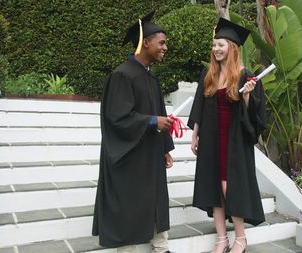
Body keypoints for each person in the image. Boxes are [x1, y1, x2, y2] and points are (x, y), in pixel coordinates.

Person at [92, 11, 174, 253]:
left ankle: (161, 246)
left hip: (150, 152)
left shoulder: (151, 79)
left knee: (157, 197)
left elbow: (161, 116)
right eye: (161, 43)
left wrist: (166, 148)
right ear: (145, 42)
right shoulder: (121, 75)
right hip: (128, 155)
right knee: (128, 203)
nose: (165, 48)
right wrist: (151, 121)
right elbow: (116, 117)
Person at [188, 18, 267, 253]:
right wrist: (195, 135)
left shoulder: (246, 77)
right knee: (213, 187)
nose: (216, 49)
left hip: (234, 140)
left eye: (220, 45)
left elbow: (255, 116)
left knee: (228, 188)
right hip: (212, 137)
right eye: (214, 45)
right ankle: (221, 239)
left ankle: (240, 238)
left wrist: (246, 97)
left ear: (232, 47)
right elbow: (199, 106)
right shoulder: (208, 74)